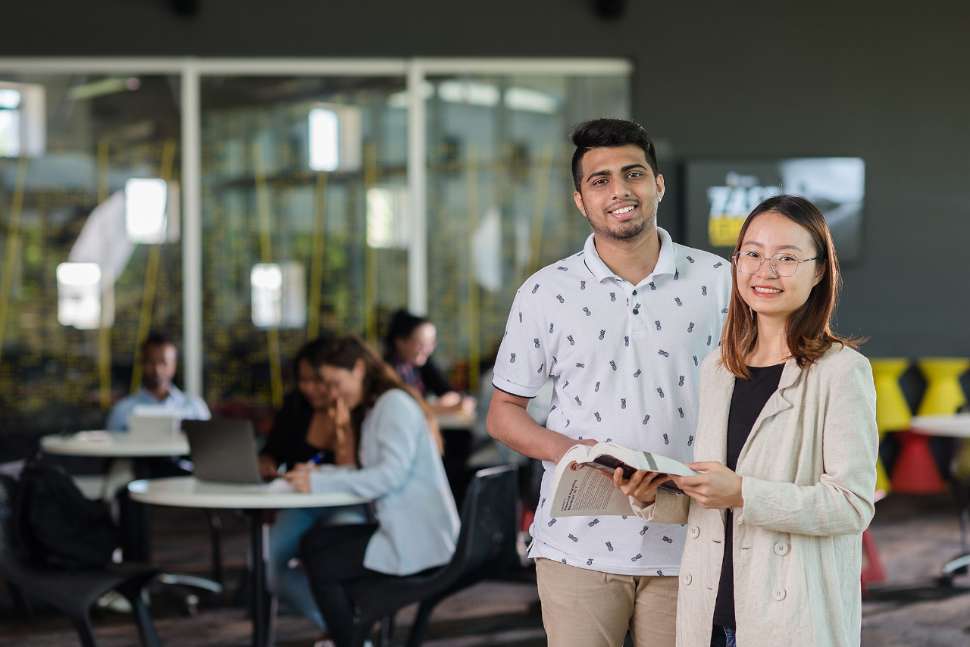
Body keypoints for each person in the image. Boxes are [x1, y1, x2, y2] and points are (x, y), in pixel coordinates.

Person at [486, 118, 731, 647]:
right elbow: (503, 411)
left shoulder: (720, 281)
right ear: (580, 200)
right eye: (600, 181)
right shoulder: (545, 292)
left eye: (633, 174)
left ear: (658, 184)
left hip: (691, 539)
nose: (619, 191)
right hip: (577, 543)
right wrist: (580, 454)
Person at [615, 195, 877, 647]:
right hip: (711, 613)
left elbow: (852, 505)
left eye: (786, 258)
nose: (765, 270)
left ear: (819, 272)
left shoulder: (841, 371)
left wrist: (742, 492)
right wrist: (653, 495)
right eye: (752, 254)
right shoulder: (718, 368)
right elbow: (712, 501)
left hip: (789, 616)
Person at [287, 335, 460, 647]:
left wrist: (319, 483)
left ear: (358, 369)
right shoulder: (380, 405)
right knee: (313, 543)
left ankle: (348, 640)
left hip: (419, 538)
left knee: (323, 563)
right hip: (405, 528)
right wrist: (319, 473)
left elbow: (387, 477)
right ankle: (350, 636)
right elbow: (373, 471)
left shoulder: (393, 406)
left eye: (334, 383)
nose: (331, 393)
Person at [263, 336, 363, 631]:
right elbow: (273, 449)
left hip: (345, 502)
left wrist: (343, 430)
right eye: (303, 380)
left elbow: (350, 471)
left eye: (317, 380)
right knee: (268, 566)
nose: (310, 388)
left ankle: (347, 632)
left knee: (338, 561)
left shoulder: (356, 408)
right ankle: (341, 629)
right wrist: (266, 461)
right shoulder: (296, 406)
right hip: (300, 503)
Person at [106, 331, 210, 430]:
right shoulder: (122, 411)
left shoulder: (194, 407)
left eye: (164, 363)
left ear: (174, 365)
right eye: (151, 362)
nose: (157, 369)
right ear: (141, 364)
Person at [383, 309, 475, 416]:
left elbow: (448, 391)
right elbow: (403, 409)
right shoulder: (387, 371)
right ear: (400, 342)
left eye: (431, 343)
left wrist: (450, 403)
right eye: (421, 343)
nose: (428, 349)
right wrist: (440, 408)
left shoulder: (422, 364)